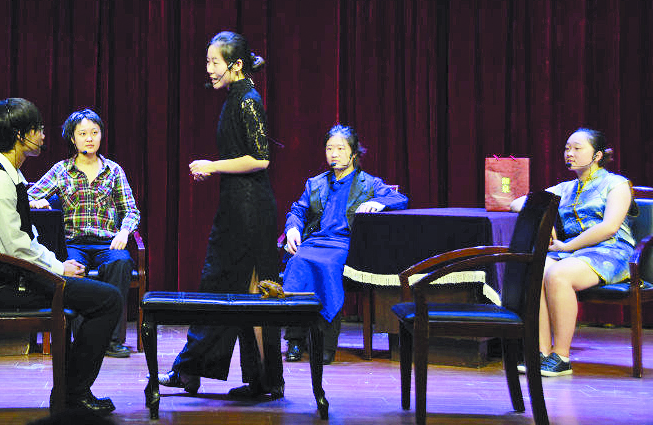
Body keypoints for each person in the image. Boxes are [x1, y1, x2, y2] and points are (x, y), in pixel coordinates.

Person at [0, 98, 122, 415]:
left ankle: (70, 391)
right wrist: (58, 267)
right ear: (19, 135)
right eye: (37, 129)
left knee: (102, 296)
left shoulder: (11, 176)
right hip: (4, 286)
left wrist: (56, 265)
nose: (42, 135)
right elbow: (16, 249)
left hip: (21, 275)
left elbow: (27, 239)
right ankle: (73, 394)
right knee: (108, 300)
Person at [158, 31, 284, 399]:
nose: (209, 69)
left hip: (250, 211)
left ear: (236, 64)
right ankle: (249, 379)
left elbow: (261, 158)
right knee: (229, 289)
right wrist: (214, 169)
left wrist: (212, 166)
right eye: (208, 61)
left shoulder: (248, 101)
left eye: (215, 62)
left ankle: (260, 380)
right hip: (238, 206)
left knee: (249, 291)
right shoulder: (235, 98)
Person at [510, 128, 636, 377]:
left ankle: (561, 356)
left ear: (597, 155)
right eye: (567, 148)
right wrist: (544, 218)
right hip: (574, 253)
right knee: (537, 269)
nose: (570, 153)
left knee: (558, 275)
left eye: (577, 148)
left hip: (611, 251)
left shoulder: (617, 184)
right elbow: (518, 203)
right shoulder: (565, 188)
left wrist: (568, 245)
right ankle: (541, 353)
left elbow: (609, 227)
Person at [281, 125, 408, 364]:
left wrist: (379, 203)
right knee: (298, 262)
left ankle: (326, 342)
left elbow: (399, 199)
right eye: (330, 148)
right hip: (315, 242)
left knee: (328, 266)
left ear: (354, 153)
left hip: (344, 245)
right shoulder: (315, 183)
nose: (334, 154)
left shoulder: (368, 183)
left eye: (340, 149)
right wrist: (293, 229)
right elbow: (297, 210)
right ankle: (295, 339)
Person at [28, 108, 141, 358]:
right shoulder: (61, 170)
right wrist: (35, 202)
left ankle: (111, 340)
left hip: (107, 242)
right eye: (82, 134)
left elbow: (131, 210)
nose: (89, 138)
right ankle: (84, 340)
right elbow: (26, 196)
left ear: (101, 135)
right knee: (73, 268)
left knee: (121, 263)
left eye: (94, 132)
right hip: (72, 242)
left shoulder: (114, 170)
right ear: (72, 138)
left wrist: (124, 232)